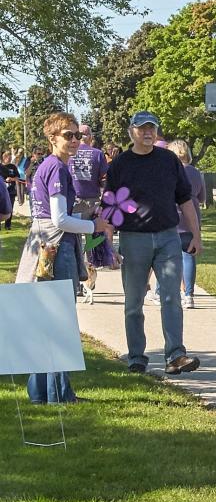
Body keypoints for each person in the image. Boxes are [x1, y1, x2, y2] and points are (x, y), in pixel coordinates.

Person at [14, 113, 110, 403]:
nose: (74, 140)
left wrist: (87, 217)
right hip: (55, 249)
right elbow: (59, 221)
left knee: (44, 321)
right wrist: (95, 226)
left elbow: (55, 216)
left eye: (76, 135)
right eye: (67, 135)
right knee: (58, 322)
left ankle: (40, 393)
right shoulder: (56, 168)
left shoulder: (49, 166)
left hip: (43, 246)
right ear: (52, 137)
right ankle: (59, 394)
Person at [103, 111, 202, 375]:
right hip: (133, 239)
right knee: (134, 301)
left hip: (168, 237)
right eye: (142, 128)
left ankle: (175, 355)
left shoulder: (169, 160)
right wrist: (109, 245)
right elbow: (109, 206)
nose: (147, 133)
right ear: (131, 132)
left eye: (152, 128)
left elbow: (185, 200)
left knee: (171, 297)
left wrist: (196, 235)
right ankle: (136, 356)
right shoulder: (120, 164)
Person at [68, 124, 110, 299]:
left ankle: (77, 282)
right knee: (91, 245)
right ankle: (89, 280)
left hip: (73, 202)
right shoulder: (98, 154)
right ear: (90, 137)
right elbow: (105, 180)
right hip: (92, 202)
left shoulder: (69, 153)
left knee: (74, 242)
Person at [166, 139, 205, 309]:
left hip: (172, 218)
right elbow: (202, 197)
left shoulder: (168, 171)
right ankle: (189, 294)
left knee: (167, 258)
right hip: (192, 220)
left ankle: (166, 291)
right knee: (188, 256)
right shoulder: (196, 172)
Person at [2, 151, 19, 230]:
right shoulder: (1, 166)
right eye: (8, 157)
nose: (9, 158)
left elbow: (17, 178)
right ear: (4, 157)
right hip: (2, 191)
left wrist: (11, 179)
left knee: (10, 208)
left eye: (10, 157)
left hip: (11, 191)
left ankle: (8, 225)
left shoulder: (13, 167)